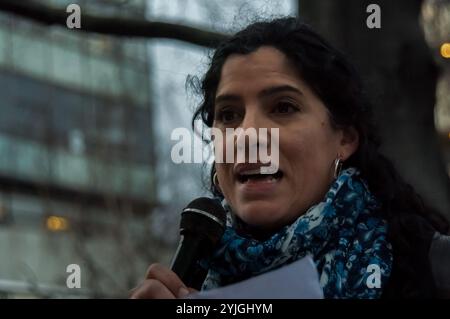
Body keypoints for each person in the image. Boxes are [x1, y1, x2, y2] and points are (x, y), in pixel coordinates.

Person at [130, 17, 450, 299]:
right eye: (228, 115)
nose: (247, 134)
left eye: (283, 107)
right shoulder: (188, 283)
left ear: (345, 138)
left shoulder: (435, 271)